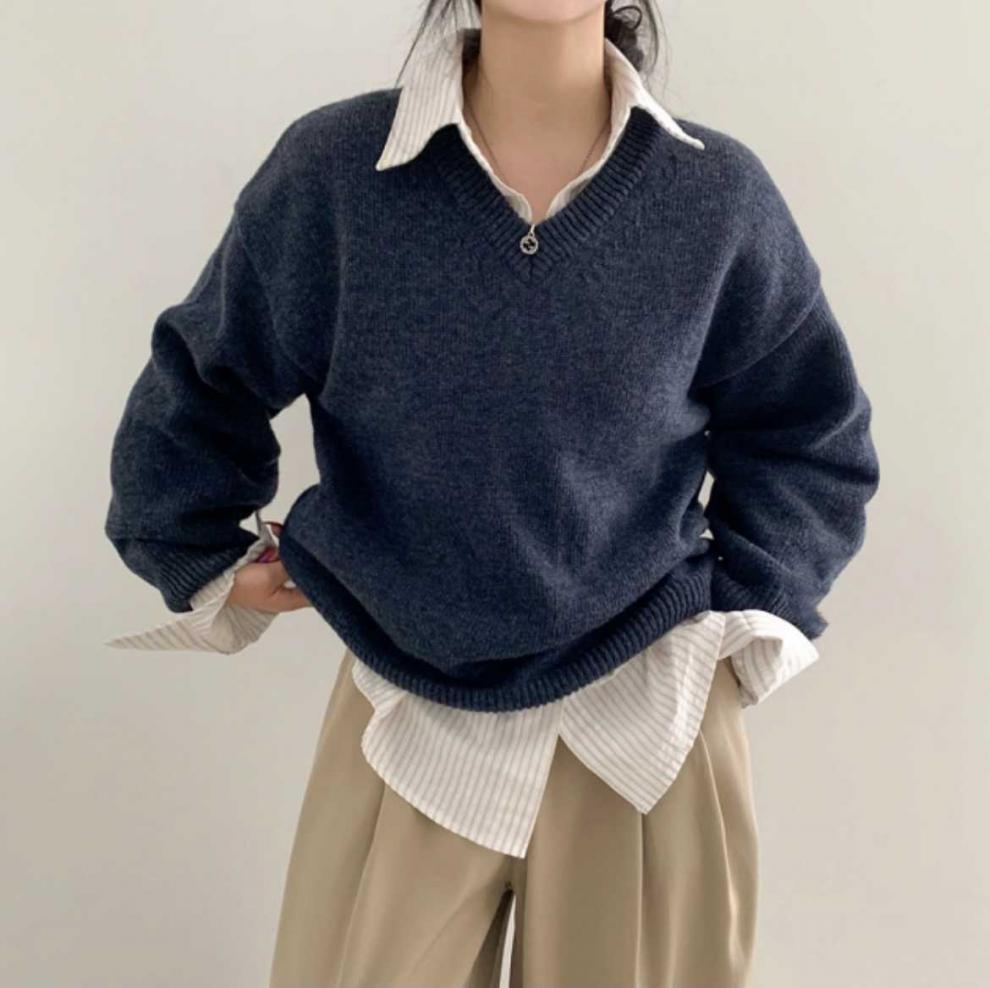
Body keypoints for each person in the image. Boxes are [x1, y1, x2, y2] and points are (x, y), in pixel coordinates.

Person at [103, 1, 881, 984]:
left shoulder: (715, 197)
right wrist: (197, 547)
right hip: (402, 705)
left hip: (651, 716)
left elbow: (810, 430)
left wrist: (750, 614)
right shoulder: (336, 173)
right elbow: (203, 377)